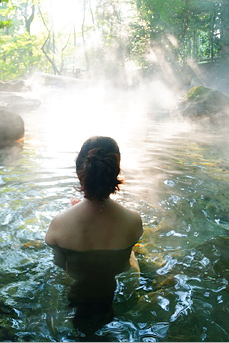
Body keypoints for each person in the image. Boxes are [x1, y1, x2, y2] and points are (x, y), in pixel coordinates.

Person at [45, 136, 143, 330]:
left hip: (76, 292)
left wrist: (71, 213)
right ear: (115, 171)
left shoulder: (60, 224)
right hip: (113, 290)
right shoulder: (133, 221)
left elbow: (59, 266)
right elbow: (124, 263)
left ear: (79, 171)